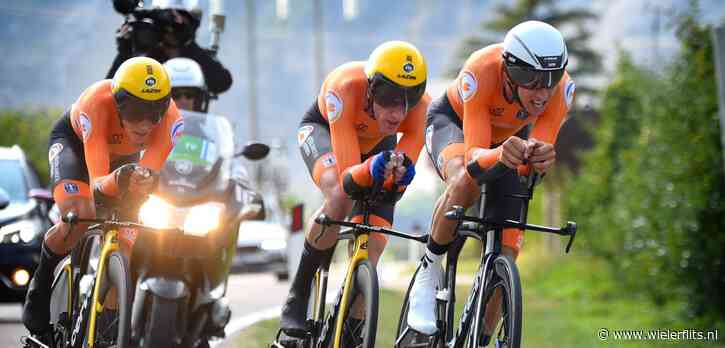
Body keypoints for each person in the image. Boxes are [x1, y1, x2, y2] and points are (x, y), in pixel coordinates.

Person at [406, 20, 576, 342]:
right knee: (464, 181)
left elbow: (532, 167)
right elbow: (474, 160)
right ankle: (429, 272)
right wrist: (500, 156)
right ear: (509, 72)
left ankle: (480, 337)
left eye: (550, 80)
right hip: (455, 125)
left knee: (508, 250)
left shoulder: (560, 92)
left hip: (507, 143)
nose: (541, 93)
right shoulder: (481, 71)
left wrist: (539, 162)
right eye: (531, 79)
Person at [22, 56, 183, 343]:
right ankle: (42, 281)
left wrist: (144, 181)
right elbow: (98, 186)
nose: (145, 124)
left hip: (123, 164)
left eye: (154, 112)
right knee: (80, 215)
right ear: (118, 102)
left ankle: (109, 328)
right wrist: (120, 179)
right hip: (75, 146)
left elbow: (148, 178)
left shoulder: (172, 121)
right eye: (135, 111)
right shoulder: (97, 103)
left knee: (128, 238)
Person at [280, 41, 430, 338]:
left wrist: (397, 179)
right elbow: (350, 179)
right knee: (339, 195)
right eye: (388, 98)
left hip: (376, 149)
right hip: (325, 131)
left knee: (374, 242)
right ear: (371, 89)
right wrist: (372, 172)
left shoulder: (422, 109)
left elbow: (394, 189)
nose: (397, 112)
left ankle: (351, 325)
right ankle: (298, 295)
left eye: (408, 99)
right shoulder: (345, 88)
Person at [107, 0, 232, 95]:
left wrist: (186, 44)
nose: (170, 30)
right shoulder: (143, 60)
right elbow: (108, 92)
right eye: (165, 23)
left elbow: (222, 82)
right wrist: (125, 52)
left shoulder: (198, 61)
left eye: (178, 23)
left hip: (188, 127)